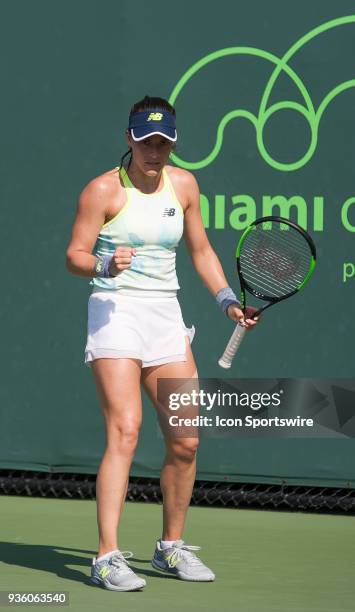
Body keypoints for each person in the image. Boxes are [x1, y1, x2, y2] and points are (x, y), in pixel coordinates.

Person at [65, 95, 260, 591]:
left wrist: (225, 301)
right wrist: (104, 264)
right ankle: (106, 556)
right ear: (128, 138)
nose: (155, 151)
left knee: (186, 439)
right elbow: (75, 255)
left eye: (164, 142)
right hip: (114, 311)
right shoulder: (103, 190)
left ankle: (170, 547)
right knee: (125, 430)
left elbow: (200, 250)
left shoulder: (186, 186)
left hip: (164, 315)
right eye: (146, 140)